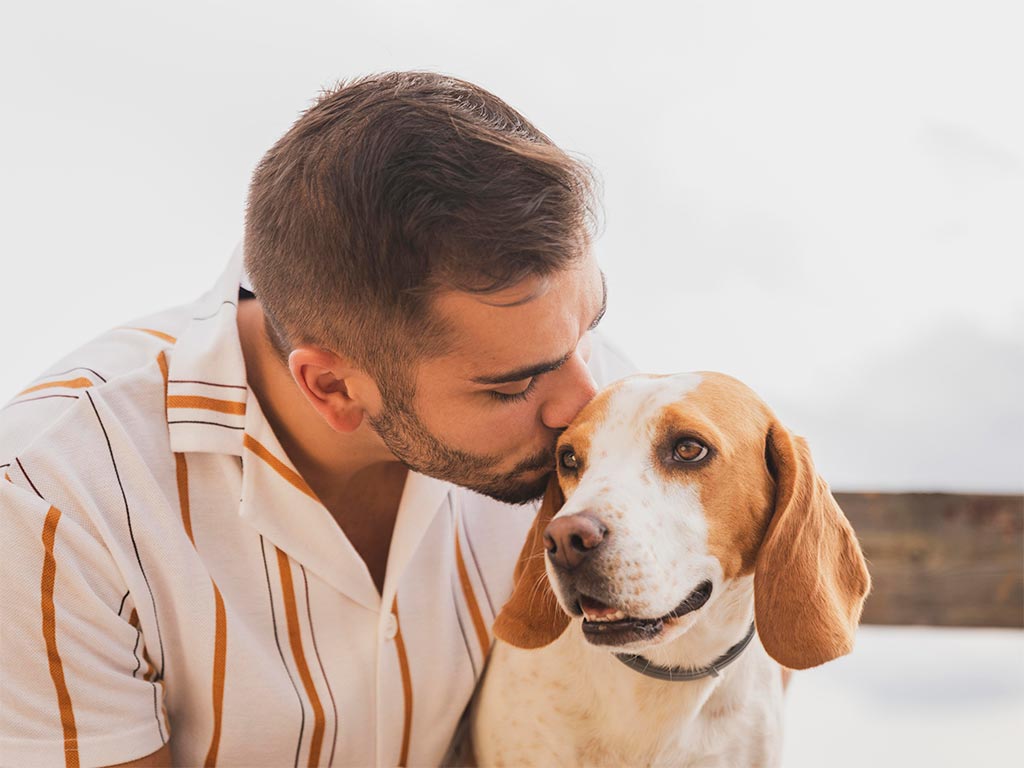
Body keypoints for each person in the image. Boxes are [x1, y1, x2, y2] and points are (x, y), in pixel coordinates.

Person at [0, 72, 633, 767]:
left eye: (587, 332)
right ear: (332, 386)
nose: (586, 403)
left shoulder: (570, 386)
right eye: (514, 387)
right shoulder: (51, 505)